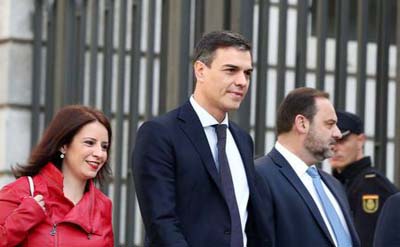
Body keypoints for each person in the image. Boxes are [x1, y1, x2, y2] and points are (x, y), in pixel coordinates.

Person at [132, 30, 271, 247]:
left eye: (247, 73)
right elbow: (162, 224)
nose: (242, 81)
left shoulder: (243, 140)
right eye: (231, 70)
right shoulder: (159, 134)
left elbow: (250, 222)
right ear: (200, 70)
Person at [255, 87, 360, 247]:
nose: (338, 134)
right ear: (302, 123)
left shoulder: (334, 185)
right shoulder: (259, 176)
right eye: (329, 124)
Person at [0, 105, 114, 246]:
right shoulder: (21, 192)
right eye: (89, 143)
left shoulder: (102, 205)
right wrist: (24, 217)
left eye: (104, 146)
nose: (99, 153)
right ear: (64, 146)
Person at [329, 110, 398, 247]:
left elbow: (366, 239)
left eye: (341, 140)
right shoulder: (340, 182)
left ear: (360, 141)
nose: (335, 148)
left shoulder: (371, 184)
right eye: (331, 141)